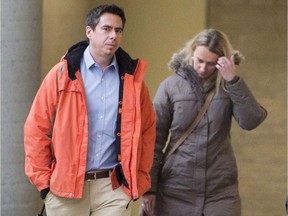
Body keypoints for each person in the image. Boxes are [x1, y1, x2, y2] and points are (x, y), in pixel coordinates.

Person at [24, 4, 156, 216]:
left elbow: (148, 130)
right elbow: (35, 128)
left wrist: (138, 177)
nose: (113, 35)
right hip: (66, 190)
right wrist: (44, 183)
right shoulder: (63, 73)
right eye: (106, 29)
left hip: (113, 189)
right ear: (89, 32)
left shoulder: (133, 80)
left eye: (118, 30)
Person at [141, 29, 267, 216]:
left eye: (211, 64)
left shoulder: (228, 86)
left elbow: (251, 121)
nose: (202, 68)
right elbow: (154, 138)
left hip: (220, 192)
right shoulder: (171, 86)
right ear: (191, 53)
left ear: (222, 61)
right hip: (175, 189)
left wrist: (232, 80)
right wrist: (149, 188)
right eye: (199, 60)